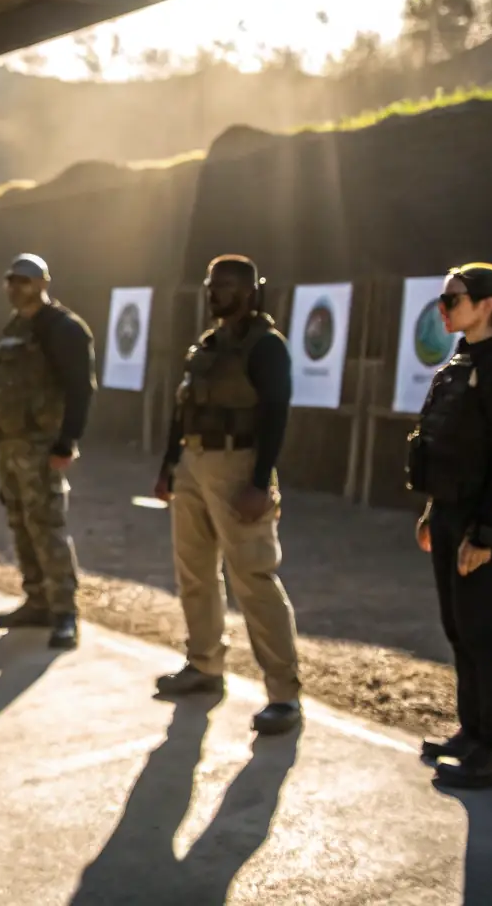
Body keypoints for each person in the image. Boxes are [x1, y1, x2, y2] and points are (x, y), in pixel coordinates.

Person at [407, 262, 492, 788]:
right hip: (451, 512)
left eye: (454, 299)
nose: (444, 308)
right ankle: (474, 731)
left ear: (487, 304)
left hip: (486, 520)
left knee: (483, 633)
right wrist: (434, 511)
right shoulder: (462, 360)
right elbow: (446, 445)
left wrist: (486, 533)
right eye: (443, 299)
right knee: (457, 627)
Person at [151, 255, 302, 736]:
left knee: (253, 578)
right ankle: (204, 665)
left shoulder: (266, 347)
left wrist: (260, 483)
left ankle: (283, 694)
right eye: (212, 285)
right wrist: (168, 467)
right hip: (194, 464)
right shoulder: (207, 345)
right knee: (194, 571)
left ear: (252, 291)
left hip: (239, 465)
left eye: (228, 286)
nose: (216, 293)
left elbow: (276, 412)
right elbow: (184, 409)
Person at [0, 253, 96, 650]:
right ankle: (37, 599)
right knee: (20, 522)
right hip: (11, 445)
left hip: (43, 446)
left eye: (24, 281)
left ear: (43, 283)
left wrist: (67, 441)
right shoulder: (14, 328)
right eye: (11, 280)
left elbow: (81, 388)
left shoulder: (63, 329)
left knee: (48, 526)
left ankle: (65, 612)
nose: (15, 287)